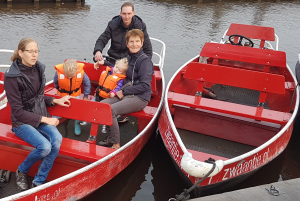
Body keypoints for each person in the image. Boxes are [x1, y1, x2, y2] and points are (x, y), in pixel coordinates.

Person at [4, 38, 71, 190]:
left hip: (39, 115)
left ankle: (39, 181)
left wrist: (54, 100)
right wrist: (45, 119)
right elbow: (18, 112)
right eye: (30, 51)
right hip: (21, 122)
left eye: (36, 51)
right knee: (45, 146)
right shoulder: (12, 77)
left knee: (56, 140)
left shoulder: (39, 68)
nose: (34, 55)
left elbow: (37, 96)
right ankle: (22, 170)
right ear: (21, 52)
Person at [98, 29, 153, 150]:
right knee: (102, 106)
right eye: (131, 41)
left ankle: (116, 143)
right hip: (126, 92)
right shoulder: (129, 57)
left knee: (111, 110)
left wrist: (123, 92)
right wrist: (104, 63)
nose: (134, 44)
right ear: (127, 44)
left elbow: (145, 86)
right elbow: (118, 67)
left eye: (137, 41)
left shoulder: (145, 61)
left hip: (140, 97)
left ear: (142, 43)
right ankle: (111, 136)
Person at [53, 59, 91, 135]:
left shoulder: (82, 73)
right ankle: (54, 121)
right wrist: (59, 91)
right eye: (68, 76)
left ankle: (77, 123)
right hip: (62, 94)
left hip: (75, 94)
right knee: (57, 108)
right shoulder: (58, 73)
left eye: (72, 76)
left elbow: (87, 84)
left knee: (78, 110)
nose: (70, 78)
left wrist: (86, 96)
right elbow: (56, 83)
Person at [94, 58, 129, 133]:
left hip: (108, 98)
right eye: (116, 67)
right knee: (90, 105)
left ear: (123, 73)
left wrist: (114, 92)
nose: (116, 70)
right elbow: (101, 84)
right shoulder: (108, 71)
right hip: (98, 95)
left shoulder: (119, 79)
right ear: (115, 65)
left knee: (106, 112)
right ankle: (87, 119)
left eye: (119, 70)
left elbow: (118, 88)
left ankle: (105, 125)